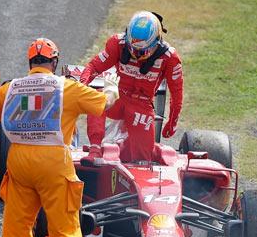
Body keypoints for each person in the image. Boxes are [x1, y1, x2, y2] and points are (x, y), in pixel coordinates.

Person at [0, 38, 118, 237]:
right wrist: (111, 89)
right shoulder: (67, 88)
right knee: (64, 225)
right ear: (55, 62)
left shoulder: (10, 89)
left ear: (30, 63)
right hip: (53, 164)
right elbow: (103, 104)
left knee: (17, 223)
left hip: (18, 162)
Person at [79, 10, 184, 164]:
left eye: (142, 51)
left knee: (142, 160)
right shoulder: (117, 43)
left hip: (142, 107)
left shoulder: (170, 58)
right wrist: (81, 87)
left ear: (157, 41)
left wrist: (172, 121)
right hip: (118, 98)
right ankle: (95, 149)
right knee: (97, 99)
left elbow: (177, 93)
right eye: (132, 49)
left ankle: (129, 149)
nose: (136, 54)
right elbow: (93, 67)